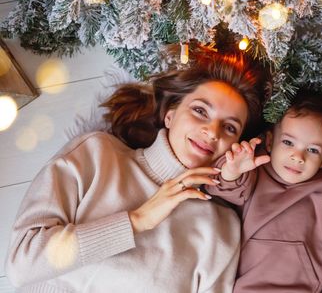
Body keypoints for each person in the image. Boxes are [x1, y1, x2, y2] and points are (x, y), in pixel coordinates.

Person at [5, 50, 268, 292]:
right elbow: (21, 266)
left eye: (230, 128)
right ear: (170, 115)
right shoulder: (97, 155)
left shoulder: (221, 229)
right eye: (200, 111)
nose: (212, 132)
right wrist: (138, 220)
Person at [206, 91, 322, 293]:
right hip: (244, 285)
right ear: (269, 142)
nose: (298, 157)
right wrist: (232, 170)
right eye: (288, 143)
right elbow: (223, 190)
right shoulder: (254, 171)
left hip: (300, 287)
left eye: (312, 150)